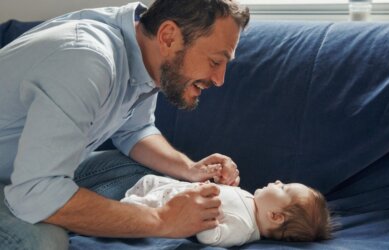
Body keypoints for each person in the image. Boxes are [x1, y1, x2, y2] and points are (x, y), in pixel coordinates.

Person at [0, 0, 250, 249]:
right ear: (169, 37)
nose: (220, 80)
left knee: (142, 173)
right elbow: (35, 191)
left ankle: (65, 208)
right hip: (27, 184)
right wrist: (162, 220)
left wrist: (189, 169)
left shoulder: (144, 51)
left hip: (25, 171)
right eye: (216, 62)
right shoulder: (87, 61)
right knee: (44, 243)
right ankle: (59, 211)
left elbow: (133, 130)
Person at [121, 174, 334, 247]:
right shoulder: (252, 202)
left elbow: (210, 238)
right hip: (175, 190)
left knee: (136, 206)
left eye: (284, 188)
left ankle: (124, 208)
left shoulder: (243, 227)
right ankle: (125, 200)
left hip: (166, 206)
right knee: (149, 181)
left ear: (275, 216)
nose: (278, 182)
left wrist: (211, 212)